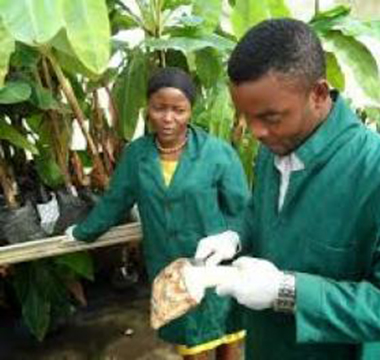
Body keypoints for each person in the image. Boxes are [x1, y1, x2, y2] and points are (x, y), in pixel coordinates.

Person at [194, 19, 380, 360]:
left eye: (270, 117)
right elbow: (265, 216)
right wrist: (236, 237)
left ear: (318, 94)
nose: (255, 132)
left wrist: (287, 291)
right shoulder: (275, 148)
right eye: (246, 116)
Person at [66, 67, 249, 360]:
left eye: (178, 110)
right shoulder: (137, 155)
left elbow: (242, 208)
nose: (168, 118)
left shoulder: (217, 153)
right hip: (171, 269)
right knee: (191, 344)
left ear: (191, 110)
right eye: (159, 108)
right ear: (147, 108)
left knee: (227, 337)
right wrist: (81, 232)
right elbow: (116, 201)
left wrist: (231, 240)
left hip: (214, 265)